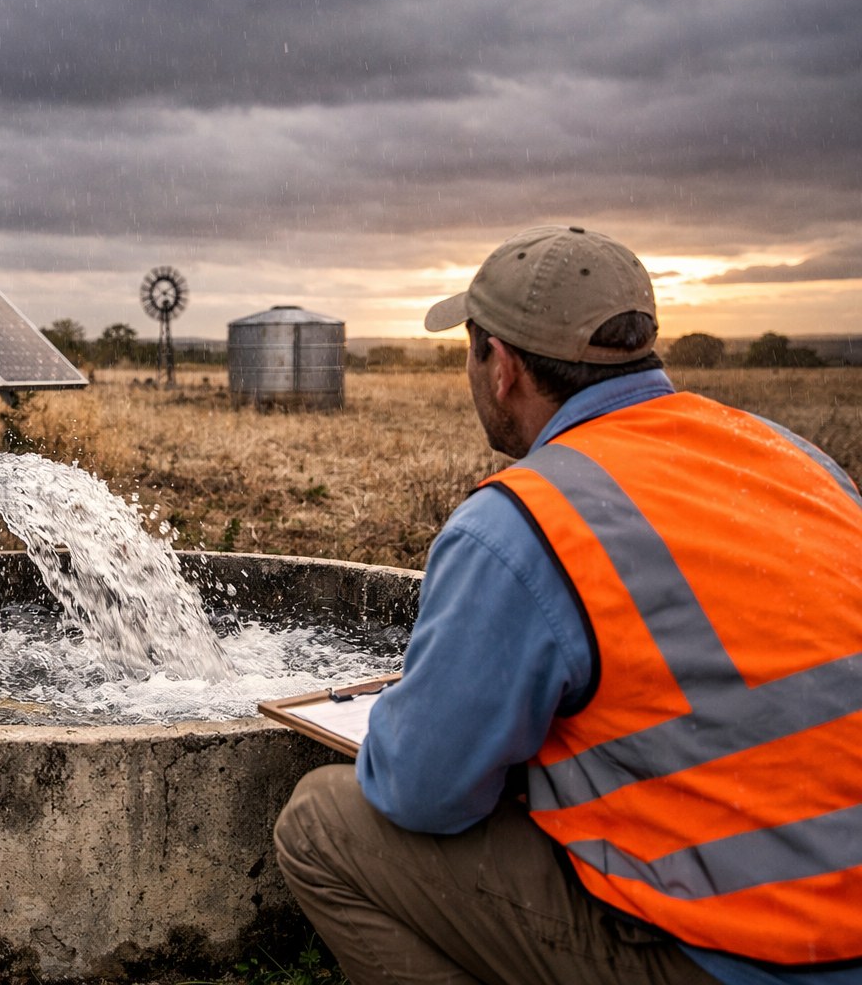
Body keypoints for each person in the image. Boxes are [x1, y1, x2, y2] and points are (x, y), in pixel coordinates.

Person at [273, 225, 862, 985]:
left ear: (502, 368)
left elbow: (423, 794)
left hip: (742, 954)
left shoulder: (522, 522)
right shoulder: (794, 460)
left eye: (472, 350)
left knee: (324, 825)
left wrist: (411, 717)